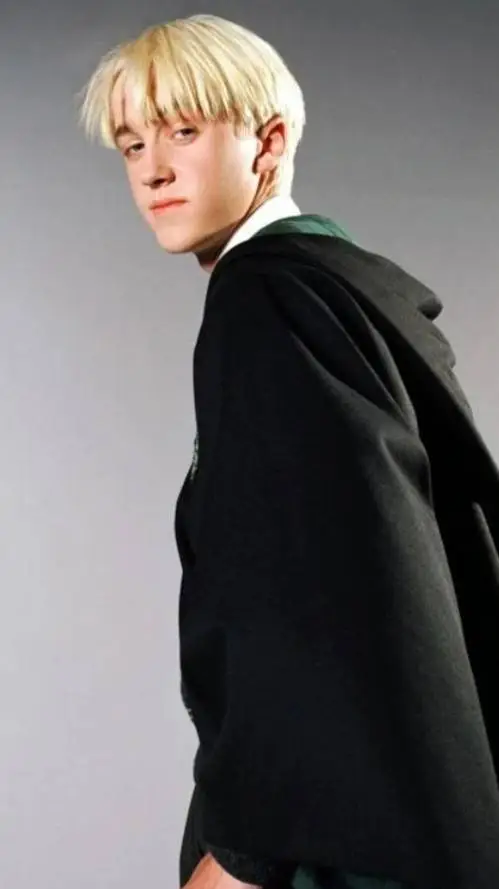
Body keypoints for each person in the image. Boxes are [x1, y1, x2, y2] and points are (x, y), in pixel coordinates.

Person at [78, 14, 499, 889]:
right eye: (131, 145)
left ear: (268, 142)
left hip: (334, 842)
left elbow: (318, 594)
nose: (152, 170)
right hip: (430, 809)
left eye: (183, 132)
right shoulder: (343, 293)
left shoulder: (267, 303)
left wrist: (242, 860)